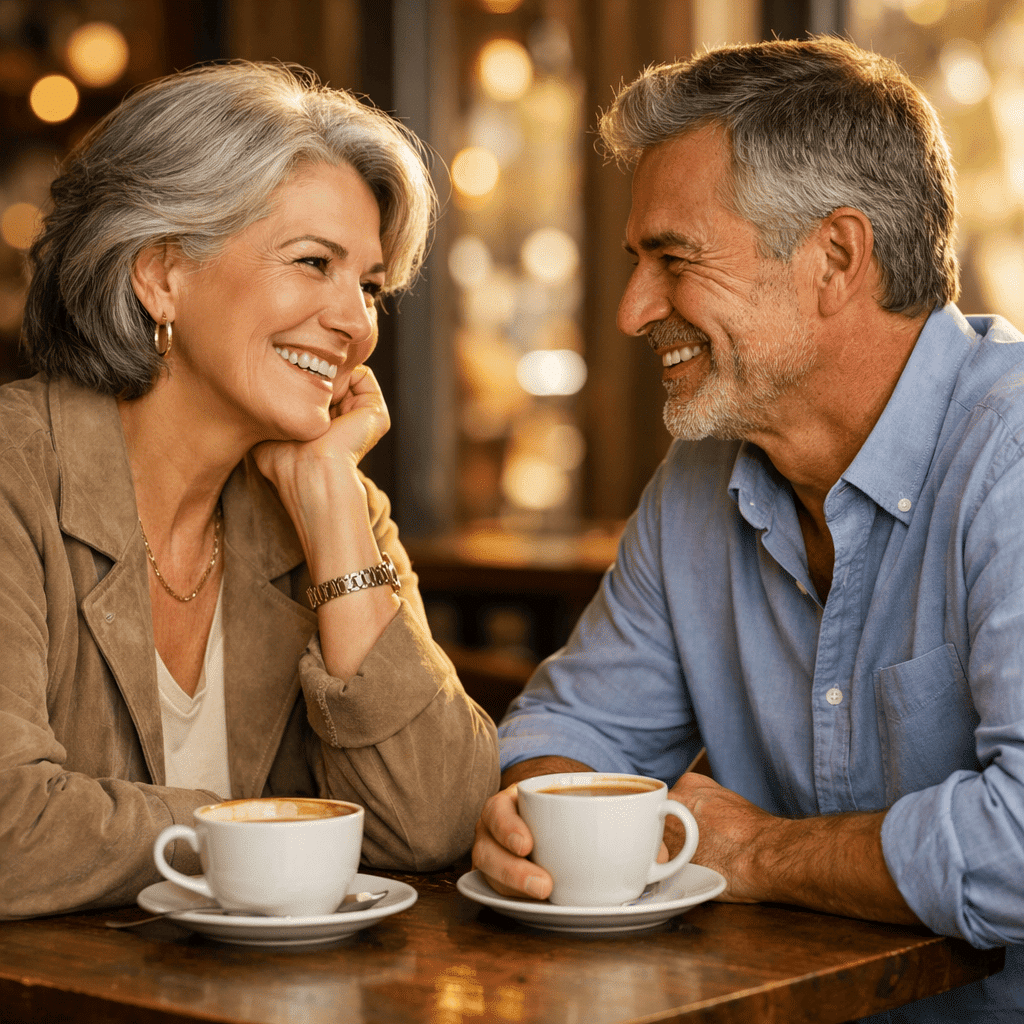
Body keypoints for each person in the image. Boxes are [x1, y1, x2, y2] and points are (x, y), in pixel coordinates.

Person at [472, 37, 1024, 1022]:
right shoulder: (699, 477)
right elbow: (571, 731)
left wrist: (758, 852)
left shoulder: (1011, 457)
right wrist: (541, 820)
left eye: (672, 260)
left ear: (836, 257)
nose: (633, 309)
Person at [0, 61, 499, 919]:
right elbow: (10, 831)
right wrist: (269, 835)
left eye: (371, 285)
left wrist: (335, 510)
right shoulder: (16, 474)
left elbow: (435, 822)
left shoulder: (330, 502)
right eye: (314, 263)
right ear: (162, 275)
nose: (356, 323)